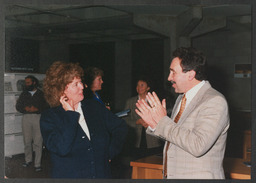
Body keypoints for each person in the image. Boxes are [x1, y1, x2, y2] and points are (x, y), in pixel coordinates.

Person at [135, 47, 230, 179]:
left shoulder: (214, 101)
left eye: (173, 72)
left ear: (190, 74)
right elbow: (176, 138)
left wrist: (162, 121)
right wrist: (155, 124)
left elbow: (198, 145)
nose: (169, 78)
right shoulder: (181, 98)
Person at [40, 61, 127, 178]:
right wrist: (71, 114)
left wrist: (110, 152)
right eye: (75, 84)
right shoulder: (50, 117)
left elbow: (120, 127)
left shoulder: (94, 107)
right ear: (61, 90)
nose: (82, 86)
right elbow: (62, 148)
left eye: (80, 81)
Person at [123, 77, 163, 159]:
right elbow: (124, 119)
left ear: (148, 88)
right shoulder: (130, 101)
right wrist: (137, 122)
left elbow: (161, 118)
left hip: (152, 139)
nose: (139, 88)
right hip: (136, 139)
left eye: (142, 85)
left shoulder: (154, 101)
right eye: (137, 85)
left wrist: (150, 122)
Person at [16, 75, 49, 172]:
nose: (26, 84)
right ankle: (28, 160)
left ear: (34, 82)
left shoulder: (41, 94)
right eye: (26, 83)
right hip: (26, 118)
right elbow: (18, 106)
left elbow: (47, 106)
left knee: (38, 142)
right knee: (27, 141)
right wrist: (24, 108)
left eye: (28, 82)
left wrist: (37, 109)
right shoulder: (23, 94)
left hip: (37, 117)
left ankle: (37, 164)